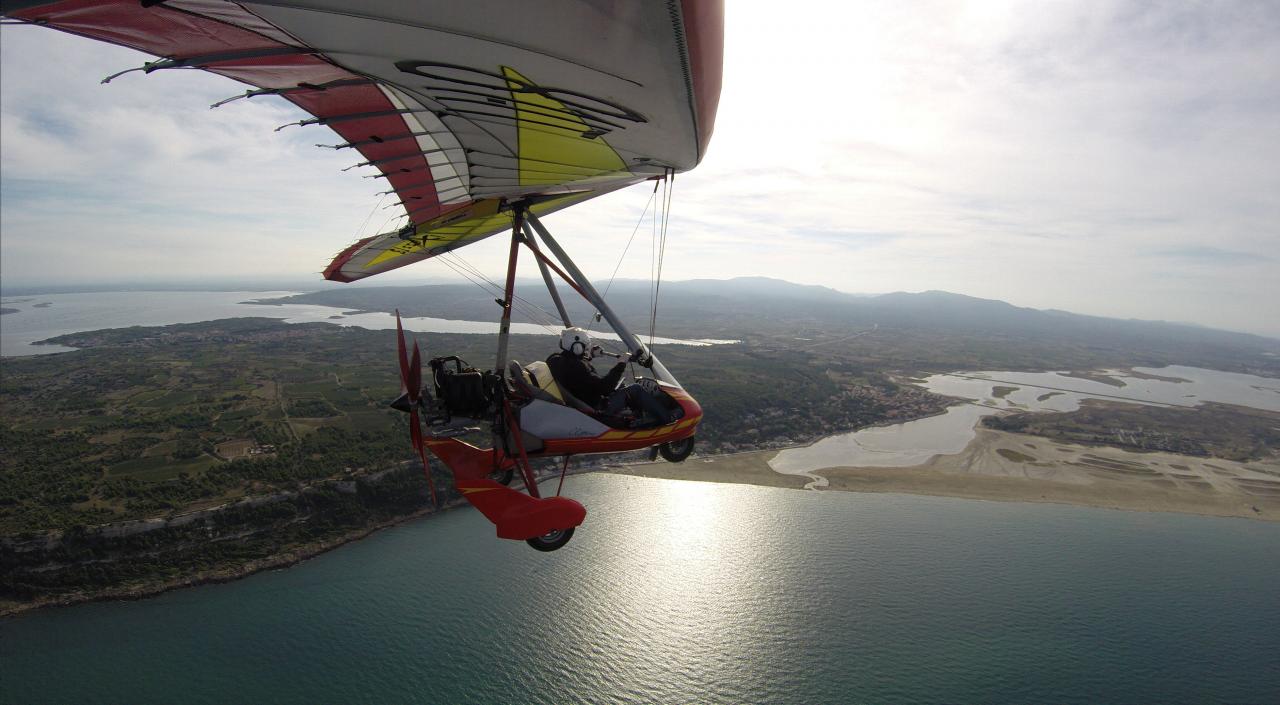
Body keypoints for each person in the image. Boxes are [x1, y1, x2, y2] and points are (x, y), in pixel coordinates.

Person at [546, 327, 670, 423]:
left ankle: (641, 416)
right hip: (600, 409)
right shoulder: (578, 367)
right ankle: (668, 419)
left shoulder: (554, 360)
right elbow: (605, 388)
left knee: (623, 387)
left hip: (583, 404)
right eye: (584, 347)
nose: (585, 349)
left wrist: (590, 356)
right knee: (636, 389)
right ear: (577, 347)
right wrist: (621, 364)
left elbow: (573, 367)